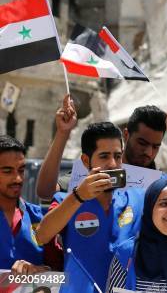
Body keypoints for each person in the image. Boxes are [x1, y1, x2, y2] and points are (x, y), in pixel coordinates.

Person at [34, 122, 144, 293]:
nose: (113, 164)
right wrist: (78, 197)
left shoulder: (137, 198)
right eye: (104, 156)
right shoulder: (67, 200)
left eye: (117, 156)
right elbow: (42, 235)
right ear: (86, 161)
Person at [36, 95, 167, 200]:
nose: (149, 152)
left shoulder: (154, 182)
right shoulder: (95, 172)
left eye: (156, 147)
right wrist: (63, 133)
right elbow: (45, 192)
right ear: (126, 135)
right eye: (142, 143)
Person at [0, 135, 61, 274]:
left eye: (21, 170)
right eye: (8, 171)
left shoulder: (41, 219)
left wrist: (41, 271)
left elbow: (59, 272)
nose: (17, 178)